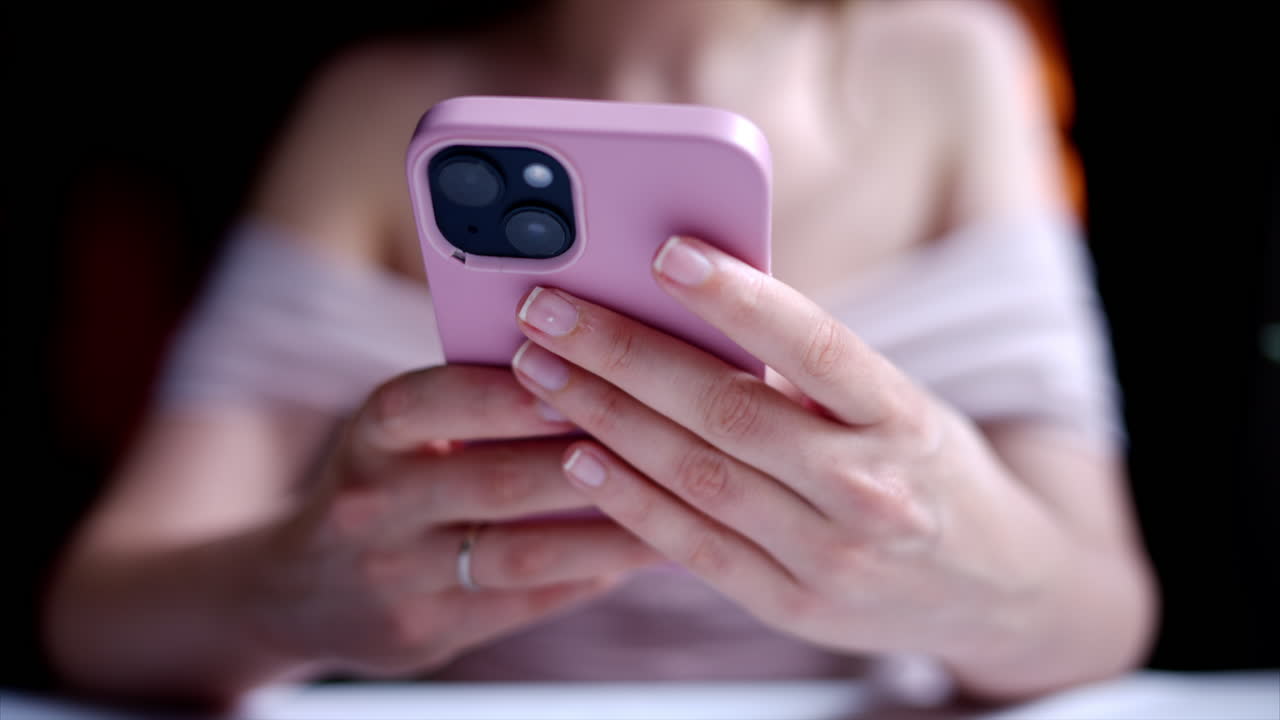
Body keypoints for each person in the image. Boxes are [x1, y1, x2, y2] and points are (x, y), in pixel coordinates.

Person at [42, 0, 1156, 708]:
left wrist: (976, 581)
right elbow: (98, 615)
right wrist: (282, 593)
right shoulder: (373, 110)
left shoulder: (953, 64)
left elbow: (1104, 608)